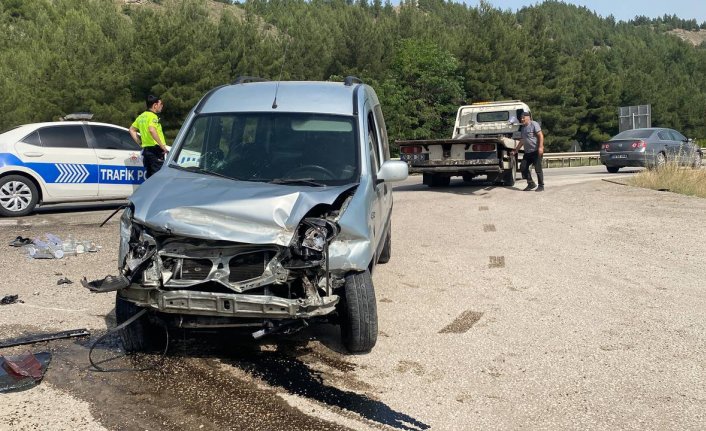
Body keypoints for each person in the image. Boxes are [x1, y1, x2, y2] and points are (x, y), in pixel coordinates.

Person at [130, 95, 168, 179]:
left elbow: (132, 130)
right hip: (156, 151)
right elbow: (152, 130)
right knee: (157, 177)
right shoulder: (153, 116)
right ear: (155, 105)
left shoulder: (141, 116)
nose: (162, 106)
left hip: (146, 150)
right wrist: (163, 147)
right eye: (161, 104)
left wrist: (139, 142)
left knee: (149, 177)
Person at [513, 111, 544, 192]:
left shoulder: (534, 124)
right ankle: (530, 183)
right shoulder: (523, 128)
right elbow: (522, 140)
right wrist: (516, 150)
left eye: (523, 118)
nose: (522, 119)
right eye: (521, 118)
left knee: (538, 169)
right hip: (528, 152)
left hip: (536, 151)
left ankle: (541, 186)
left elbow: (540, 135)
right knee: (523, 167)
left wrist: (541, 147)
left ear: (528, 117)